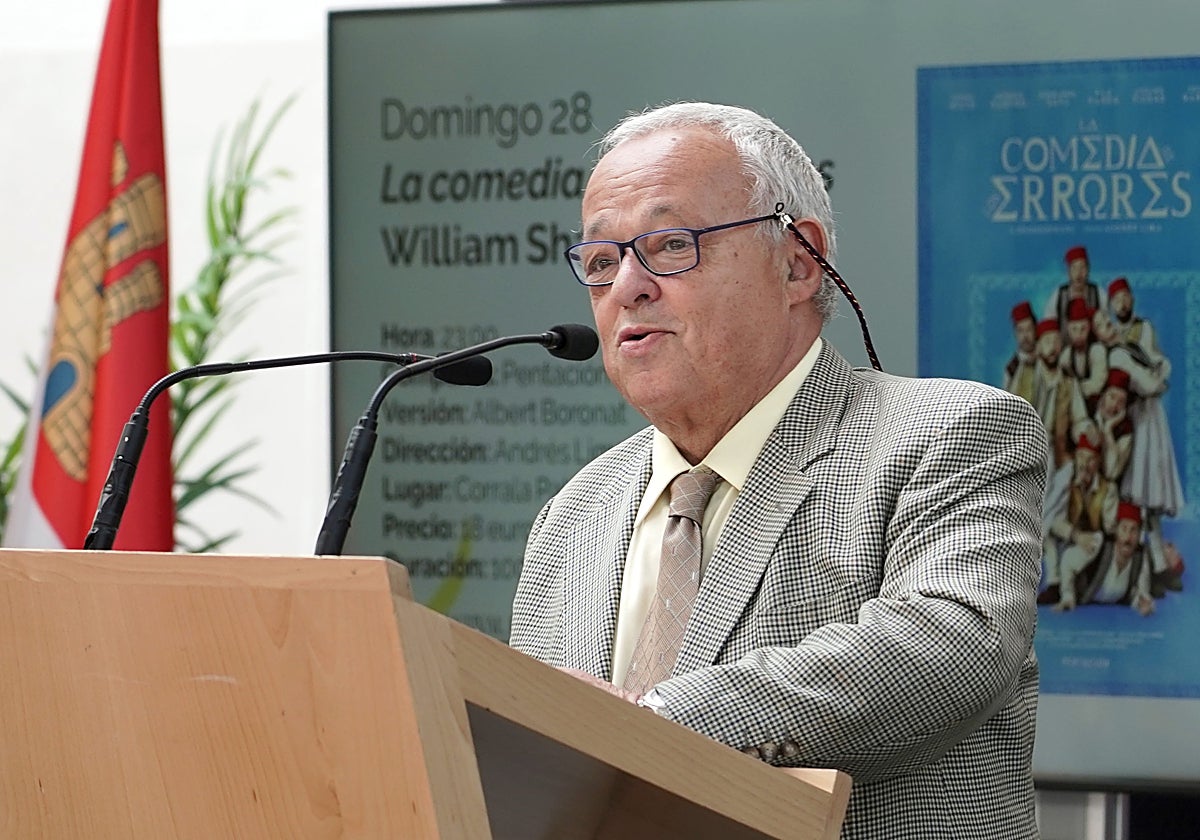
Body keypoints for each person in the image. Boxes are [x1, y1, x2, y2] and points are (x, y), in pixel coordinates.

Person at [509, 102, 1046, 839]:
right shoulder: (573, 514)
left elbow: (952, 644)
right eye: (601, 261)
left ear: (798, 262)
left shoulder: (949, 434)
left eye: (669, 245)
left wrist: (647, 725)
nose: (626, 286)